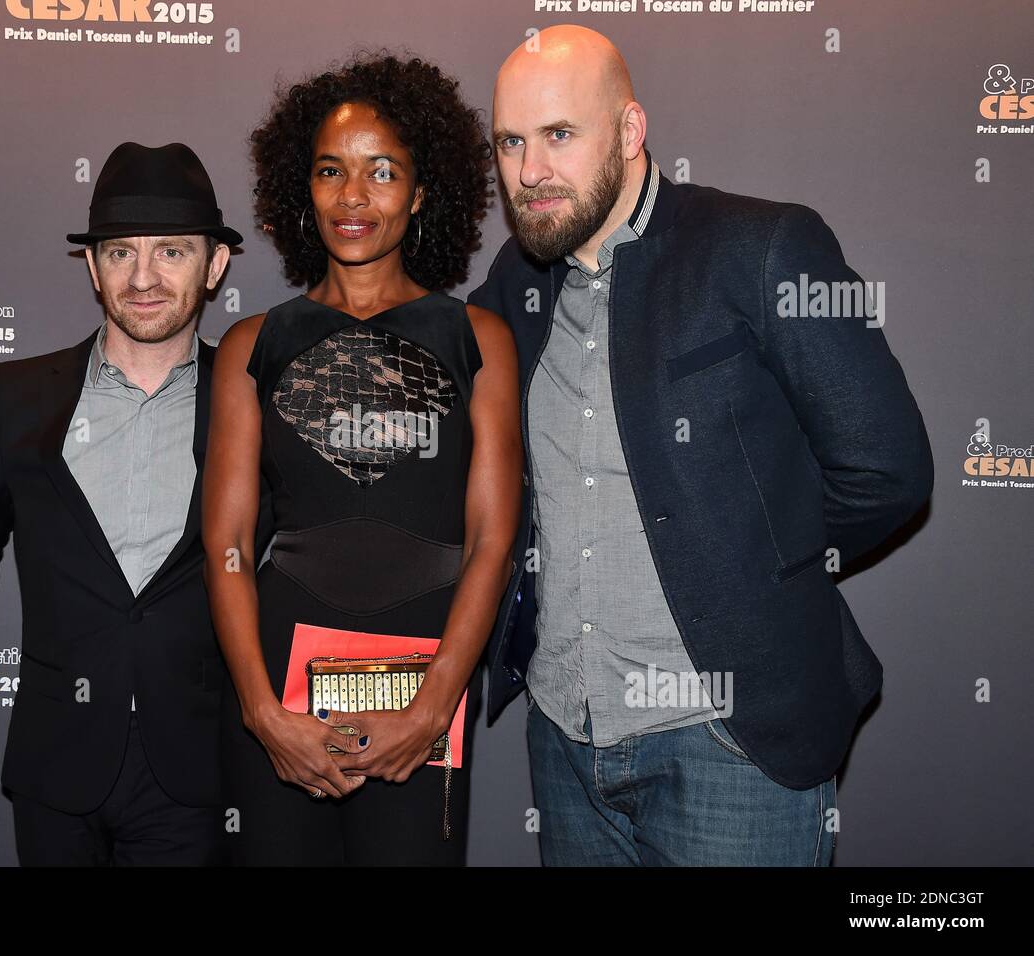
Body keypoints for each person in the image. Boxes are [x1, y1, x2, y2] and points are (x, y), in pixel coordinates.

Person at [470, 26, 934, 866]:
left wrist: (754, 569)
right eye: (510, 142)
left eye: (559, 135)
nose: (529, 170)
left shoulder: (761, 246)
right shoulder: (515, 283)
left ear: (630, 129)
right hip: (567, 741)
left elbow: (886, 470)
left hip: (728, 742)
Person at [0, 141, 264, 865]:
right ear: (92, 267)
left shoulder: (253, 399)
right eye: (121, 253)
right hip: (56, 768)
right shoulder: (17, 397)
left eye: (173, 252)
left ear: (215, 265)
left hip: (201, 772)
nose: (145, 277)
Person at [202, 52, 521, 866]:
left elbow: (492, 540)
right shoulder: (253, 344)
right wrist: (260, 711)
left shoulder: (478, 340)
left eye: (383, 172)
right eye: (330, 171)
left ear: (421, 193)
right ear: (301, 192)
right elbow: (228, 542)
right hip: (282, 684)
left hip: (425, 683)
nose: (354, 196)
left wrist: (435, 706)